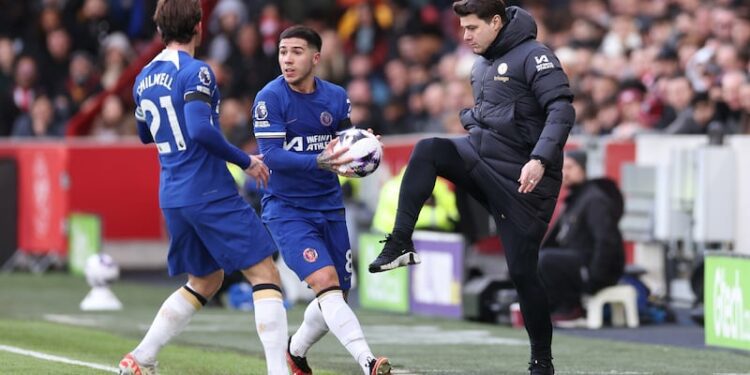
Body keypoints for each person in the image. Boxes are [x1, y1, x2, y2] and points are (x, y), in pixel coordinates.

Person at [368, 1, 575, 374]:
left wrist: (540, 159)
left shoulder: (536, 55)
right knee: (429, 148)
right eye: (462, 28)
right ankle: (400, 241)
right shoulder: (480, 65)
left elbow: (561, 110)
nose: (465, 36)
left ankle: (541, 362)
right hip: (482, 160)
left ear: (496, 22)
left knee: (524, 273)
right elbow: (496, 116)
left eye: (473, 27)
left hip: (523, 181)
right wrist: (470, 119)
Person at [118, 1, 288, 374]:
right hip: (208, 189)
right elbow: (198, 129)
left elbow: (146, 133)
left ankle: (141, 357)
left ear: (159, 29)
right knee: (265, 273)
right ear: (199, 26)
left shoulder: (143, 76)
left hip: (173, 193)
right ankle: (278, 370)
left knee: (206, 279)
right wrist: (246, 161)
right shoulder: (197, 71)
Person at [252, 25, 391, 375]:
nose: (287, 59)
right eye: (283, 51)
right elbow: (270, 156)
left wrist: (365, 145)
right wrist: (318, 161)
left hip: (329, 206)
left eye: (296, 51)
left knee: (337, 295)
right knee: (325, 282)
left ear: (316, 58)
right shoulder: (270, 98)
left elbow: (344, 141)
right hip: (287, 209)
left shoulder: (335, 97)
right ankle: (368, 362)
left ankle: (295, 353)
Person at [538, 150, 625, 323]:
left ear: (583, 169)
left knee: (546, 259)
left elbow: (606, 241)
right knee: (533, 258)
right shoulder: (576, 198)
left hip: (594, 269)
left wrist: (595, 278)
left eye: (570, 167)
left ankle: (571, 307)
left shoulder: (594, 200)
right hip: (577, 261)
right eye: (563, 168)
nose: (565, 173)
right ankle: (547, 308)